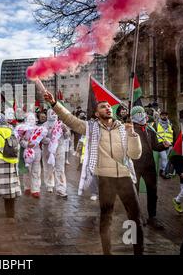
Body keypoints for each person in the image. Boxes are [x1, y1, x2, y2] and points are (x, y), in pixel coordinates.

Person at [44, 91, 143, 255]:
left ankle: (138, 251)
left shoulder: (123, 129)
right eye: (103, 107)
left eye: (109, 106)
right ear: (97, 113)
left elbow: (135, 155)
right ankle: (107, 252)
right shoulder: (91, 128)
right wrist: (54, 104)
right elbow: (70, 119)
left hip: (125, 178)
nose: (107, 108)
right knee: (106, 219)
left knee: (134, 219)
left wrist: (132, 135)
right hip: (106, 179)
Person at [131, 106, 170, 229]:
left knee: (153, 192)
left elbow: (154, 146)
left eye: (143, 112)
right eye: (138, 113)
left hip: (149, 166)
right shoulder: (130, 129)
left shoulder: (149, 128)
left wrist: (163, 145)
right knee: (134, 193)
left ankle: (152, 217)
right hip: (135, 166)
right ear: (133, 116)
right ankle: (136, 217)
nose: (142, 115)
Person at [42, 109, 70, 198]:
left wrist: (66, 131)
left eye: (55, 113)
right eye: (52, 113)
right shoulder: (44, 125)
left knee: (60, 169)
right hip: (48, 150)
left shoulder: (61, 124)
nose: (53, 115)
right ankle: (49, 185)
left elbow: (67, 136)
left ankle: (61, 189)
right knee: (48, 168)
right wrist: (50, 141)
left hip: (59, 149)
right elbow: (41, 139)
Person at [20, 112, 44, 199]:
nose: (31, 121)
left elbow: (43, 139)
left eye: (32, 119)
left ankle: (35, 189)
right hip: (27, 151)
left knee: (36, 171)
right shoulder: (23, 129)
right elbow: (21, 140)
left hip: (37, 151)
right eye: (29, 119)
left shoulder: (39, 129)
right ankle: (27, 187)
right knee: (27, 170)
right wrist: (26, 145)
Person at [154, 111, 174, 178]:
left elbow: (173, 133)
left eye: (166, 115)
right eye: (163, 115)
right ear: (160, 116)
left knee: (165, 159)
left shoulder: (170, 123)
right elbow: (153, 133)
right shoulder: (157, 123)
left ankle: (161, 170)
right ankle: (166, 173)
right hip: (161, 144)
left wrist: (172, 143)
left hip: (169, 144)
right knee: (164, 158)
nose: (164, 116)